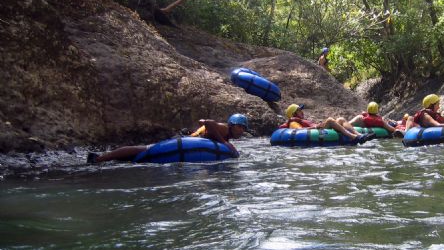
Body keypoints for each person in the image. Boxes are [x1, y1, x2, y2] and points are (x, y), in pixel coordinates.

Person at [87, 114, 249, 163]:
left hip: (186, 143)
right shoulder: (223, 128)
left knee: (140, 153)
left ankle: (106, 159)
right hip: (182, 141)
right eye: (241, 127)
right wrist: (224, 142)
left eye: (244, 129)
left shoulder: (227, 132)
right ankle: (99, 158)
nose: (242, 131)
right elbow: (206, 122)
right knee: (144, 150)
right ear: (232, 124)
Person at [279, 103, 375, 144]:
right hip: (317, 130)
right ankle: (354, 138)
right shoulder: (293, 121)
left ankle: (360, 135)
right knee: (329, 120)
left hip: (319, 128)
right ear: (293, 114)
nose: (302, 112)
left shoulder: (300, 119)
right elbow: (298, 130)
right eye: (299, 110)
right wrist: (315, 127)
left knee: (341, 119)